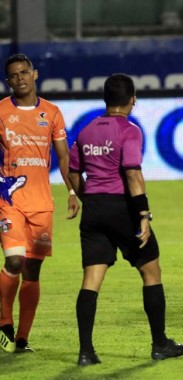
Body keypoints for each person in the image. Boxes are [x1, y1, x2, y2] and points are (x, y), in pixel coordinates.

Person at [68, 74, 183, 365]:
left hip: (94, 210)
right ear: (132, 99)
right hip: (122, 207)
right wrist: (143, 215)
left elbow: (73, 174)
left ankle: (86, 352)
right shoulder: (129, 130)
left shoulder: (85, 130)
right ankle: (160, 344)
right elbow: (133, 173)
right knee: (151, 271)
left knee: (91, 279)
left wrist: (90, 200)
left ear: (106, 99)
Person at [0, 54, 79, 354]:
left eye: (24, 72)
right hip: (9, 200)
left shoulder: (52, 113)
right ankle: (4, 320)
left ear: (35, 74)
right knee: (14, 262)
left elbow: (63, 157)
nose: (20, 78)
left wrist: (72, 192)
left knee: (32, 272)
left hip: (41, 204)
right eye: (13, 75)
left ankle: (22, 338)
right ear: (8, 81)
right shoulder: (1, 112)